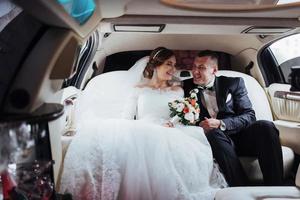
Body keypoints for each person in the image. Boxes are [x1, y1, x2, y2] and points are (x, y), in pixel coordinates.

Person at [59, 47, 227, 200]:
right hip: (144, 129)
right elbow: (126, 118)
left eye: (174, 65)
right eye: (169, 64)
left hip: (173, 131)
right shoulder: (138, 89)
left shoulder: (179, 89)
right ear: (155, 65)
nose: (173, 69)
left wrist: (174, 122)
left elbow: (182, 114)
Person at [183, 50, 284, 186]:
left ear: (214, 70)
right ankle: (241, 189)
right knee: (213, 133)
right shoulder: (186, 86)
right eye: (194, 66)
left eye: (201, 67)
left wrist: (221, 123)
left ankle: (276, 188)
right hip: (213, 142)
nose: (195, 71)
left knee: (266, 126)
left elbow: (249, 115)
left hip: (240, 137)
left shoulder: (233, 83)